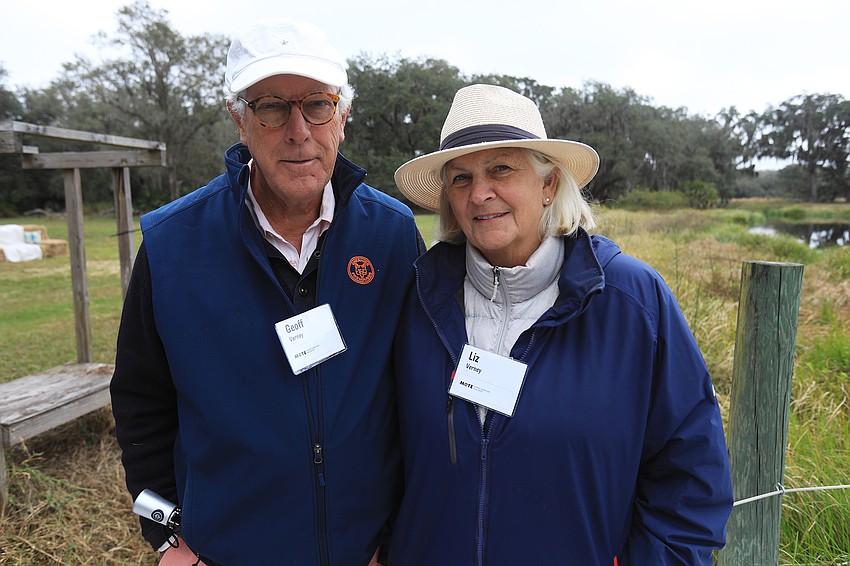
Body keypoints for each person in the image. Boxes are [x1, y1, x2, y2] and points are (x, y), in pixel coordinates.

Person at [110, 18, 423, 566]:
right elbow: (140, 401)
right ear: (240, 120)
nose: (298, 130)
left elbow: (416, 396)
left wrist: (392, 541)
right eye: (272, 106)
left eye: (318, 106)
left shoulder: (392, 235)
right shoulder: (173, 244)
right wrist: (165, 535)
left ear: (342, 118)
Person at [389, 84, 734, 565]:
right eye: (461, 178)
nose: (480, 193)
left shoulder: (632, 303)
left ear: (549, 185)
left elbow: (691, 479)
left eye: (501, 170)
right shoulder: (417, 300)